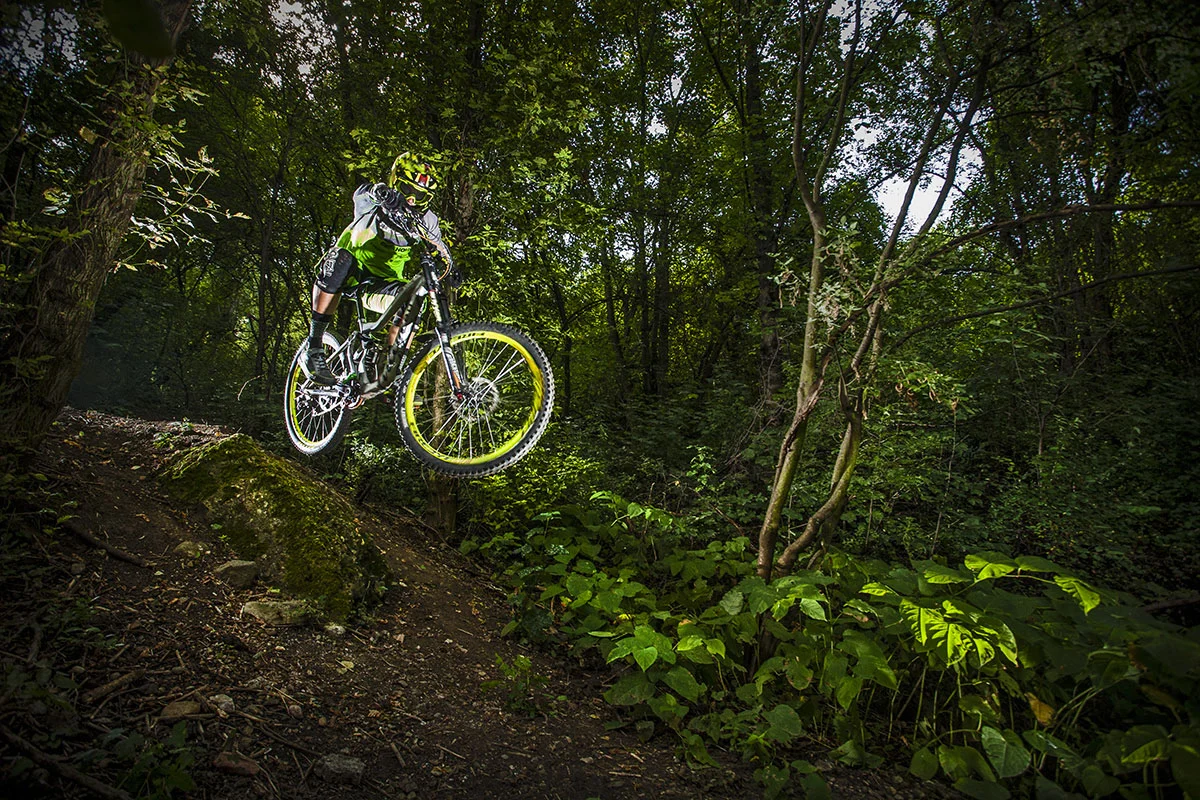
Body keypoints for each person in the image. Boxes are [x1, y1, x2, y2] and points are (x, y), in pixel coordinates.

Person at [303, 152, 454, 385]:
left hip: (377, 286)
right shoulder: (376, 199)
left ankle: (388, 370)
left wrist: (450, 268)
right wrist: (381, 194)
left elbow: (439, 249)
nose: (412, 199)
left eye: (420, 195)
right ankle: (314, 346)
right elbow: (364, 194)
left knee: (414, 299)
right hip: (350, 270)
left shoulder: (427, 220)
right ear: (395, 181)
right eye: (408, 190)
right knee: (341, 260)